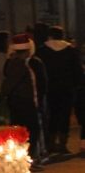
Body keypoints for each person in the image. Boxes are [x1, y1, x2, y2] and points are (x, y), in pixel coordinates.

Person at [36, 25, 82, 154]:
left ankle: (50, 143)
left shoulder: (42, 51)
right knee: (64, 115)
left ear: (50, 35)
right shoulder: (71, 50)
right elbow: (77, 70)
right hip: (67, 88)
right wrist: (78, 84)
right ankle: (62, 143)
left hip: (49, 88)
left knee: (51, 114)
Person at [0, 33, 44, 162]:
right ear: (27, 50)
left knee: (26, 131)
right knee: (30, 131)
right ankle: (26, 158)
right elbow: (9, 84)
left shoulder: (17, 63)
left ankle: (25, 158)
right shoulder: (19, 64)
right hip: (23, 103)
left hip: (21, 102)